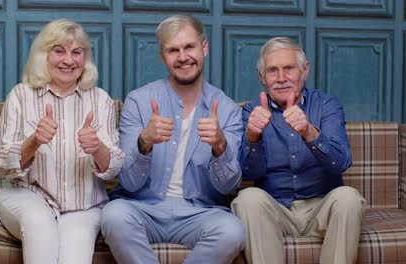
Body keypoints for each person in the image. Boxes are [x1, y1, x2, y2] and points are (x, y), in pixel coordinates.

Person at [101, 14, 244, 264]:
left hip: (199, 213)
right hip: (142, 208)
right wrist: (143, 142)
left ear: (204, 48)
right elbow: (128, 182)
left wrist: (220, 147)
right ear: (162, 57)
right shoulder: (139, 101)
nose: (183, 57)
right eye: (173, 50)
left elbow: (228, 187)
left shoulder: (227, 110)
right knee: (114, 216)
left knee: (232, 231)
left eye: (189, 46)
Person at [0, 19, 124, 264]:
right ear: (44, 55)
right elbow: (2, 162)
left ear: (85, 58)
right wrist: (33, 141)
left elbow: (114, 168)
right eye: (59, 51)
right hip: (25, 192)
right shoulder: (21, 95)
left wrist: (98, 148)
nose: (69, 60)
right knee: (38, 222)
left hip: (82, 205)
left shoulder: (100, 100)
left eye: (77, 52)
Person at [231, 36, 365, 264]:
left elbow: (341, 163)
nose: (281, 78)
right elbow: (248, 173)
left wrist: (308, 132)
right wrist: (253, 137)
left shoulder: (326, 105)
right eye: (273, 70)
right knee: (247, 198)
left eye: (289, 69)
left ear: (305, 70)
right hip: (275, 211)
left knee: (349, 197)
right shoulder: (252, 111)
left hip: (321, 209)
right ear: (261, 77)